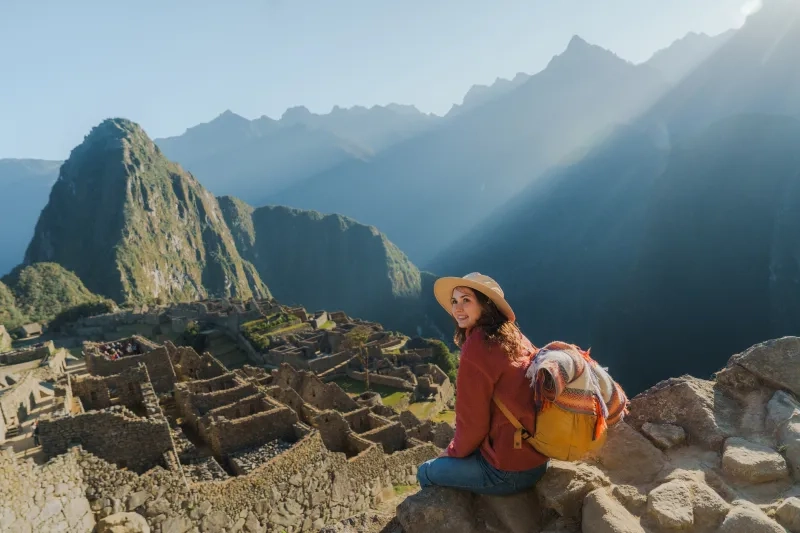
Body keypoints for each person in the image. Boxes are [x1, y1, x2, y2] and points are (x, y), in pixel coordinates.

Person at [416, 272, 549, 495]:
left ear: (486, 305)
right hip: (537, 458)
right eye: (454, 301)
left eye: (466, 300)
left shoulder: (478, 346)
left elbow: (473, 423)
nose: (457, 308)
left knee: (426, 471)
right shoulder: (515, 337)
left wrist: (451, 452)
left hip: (507, 471)